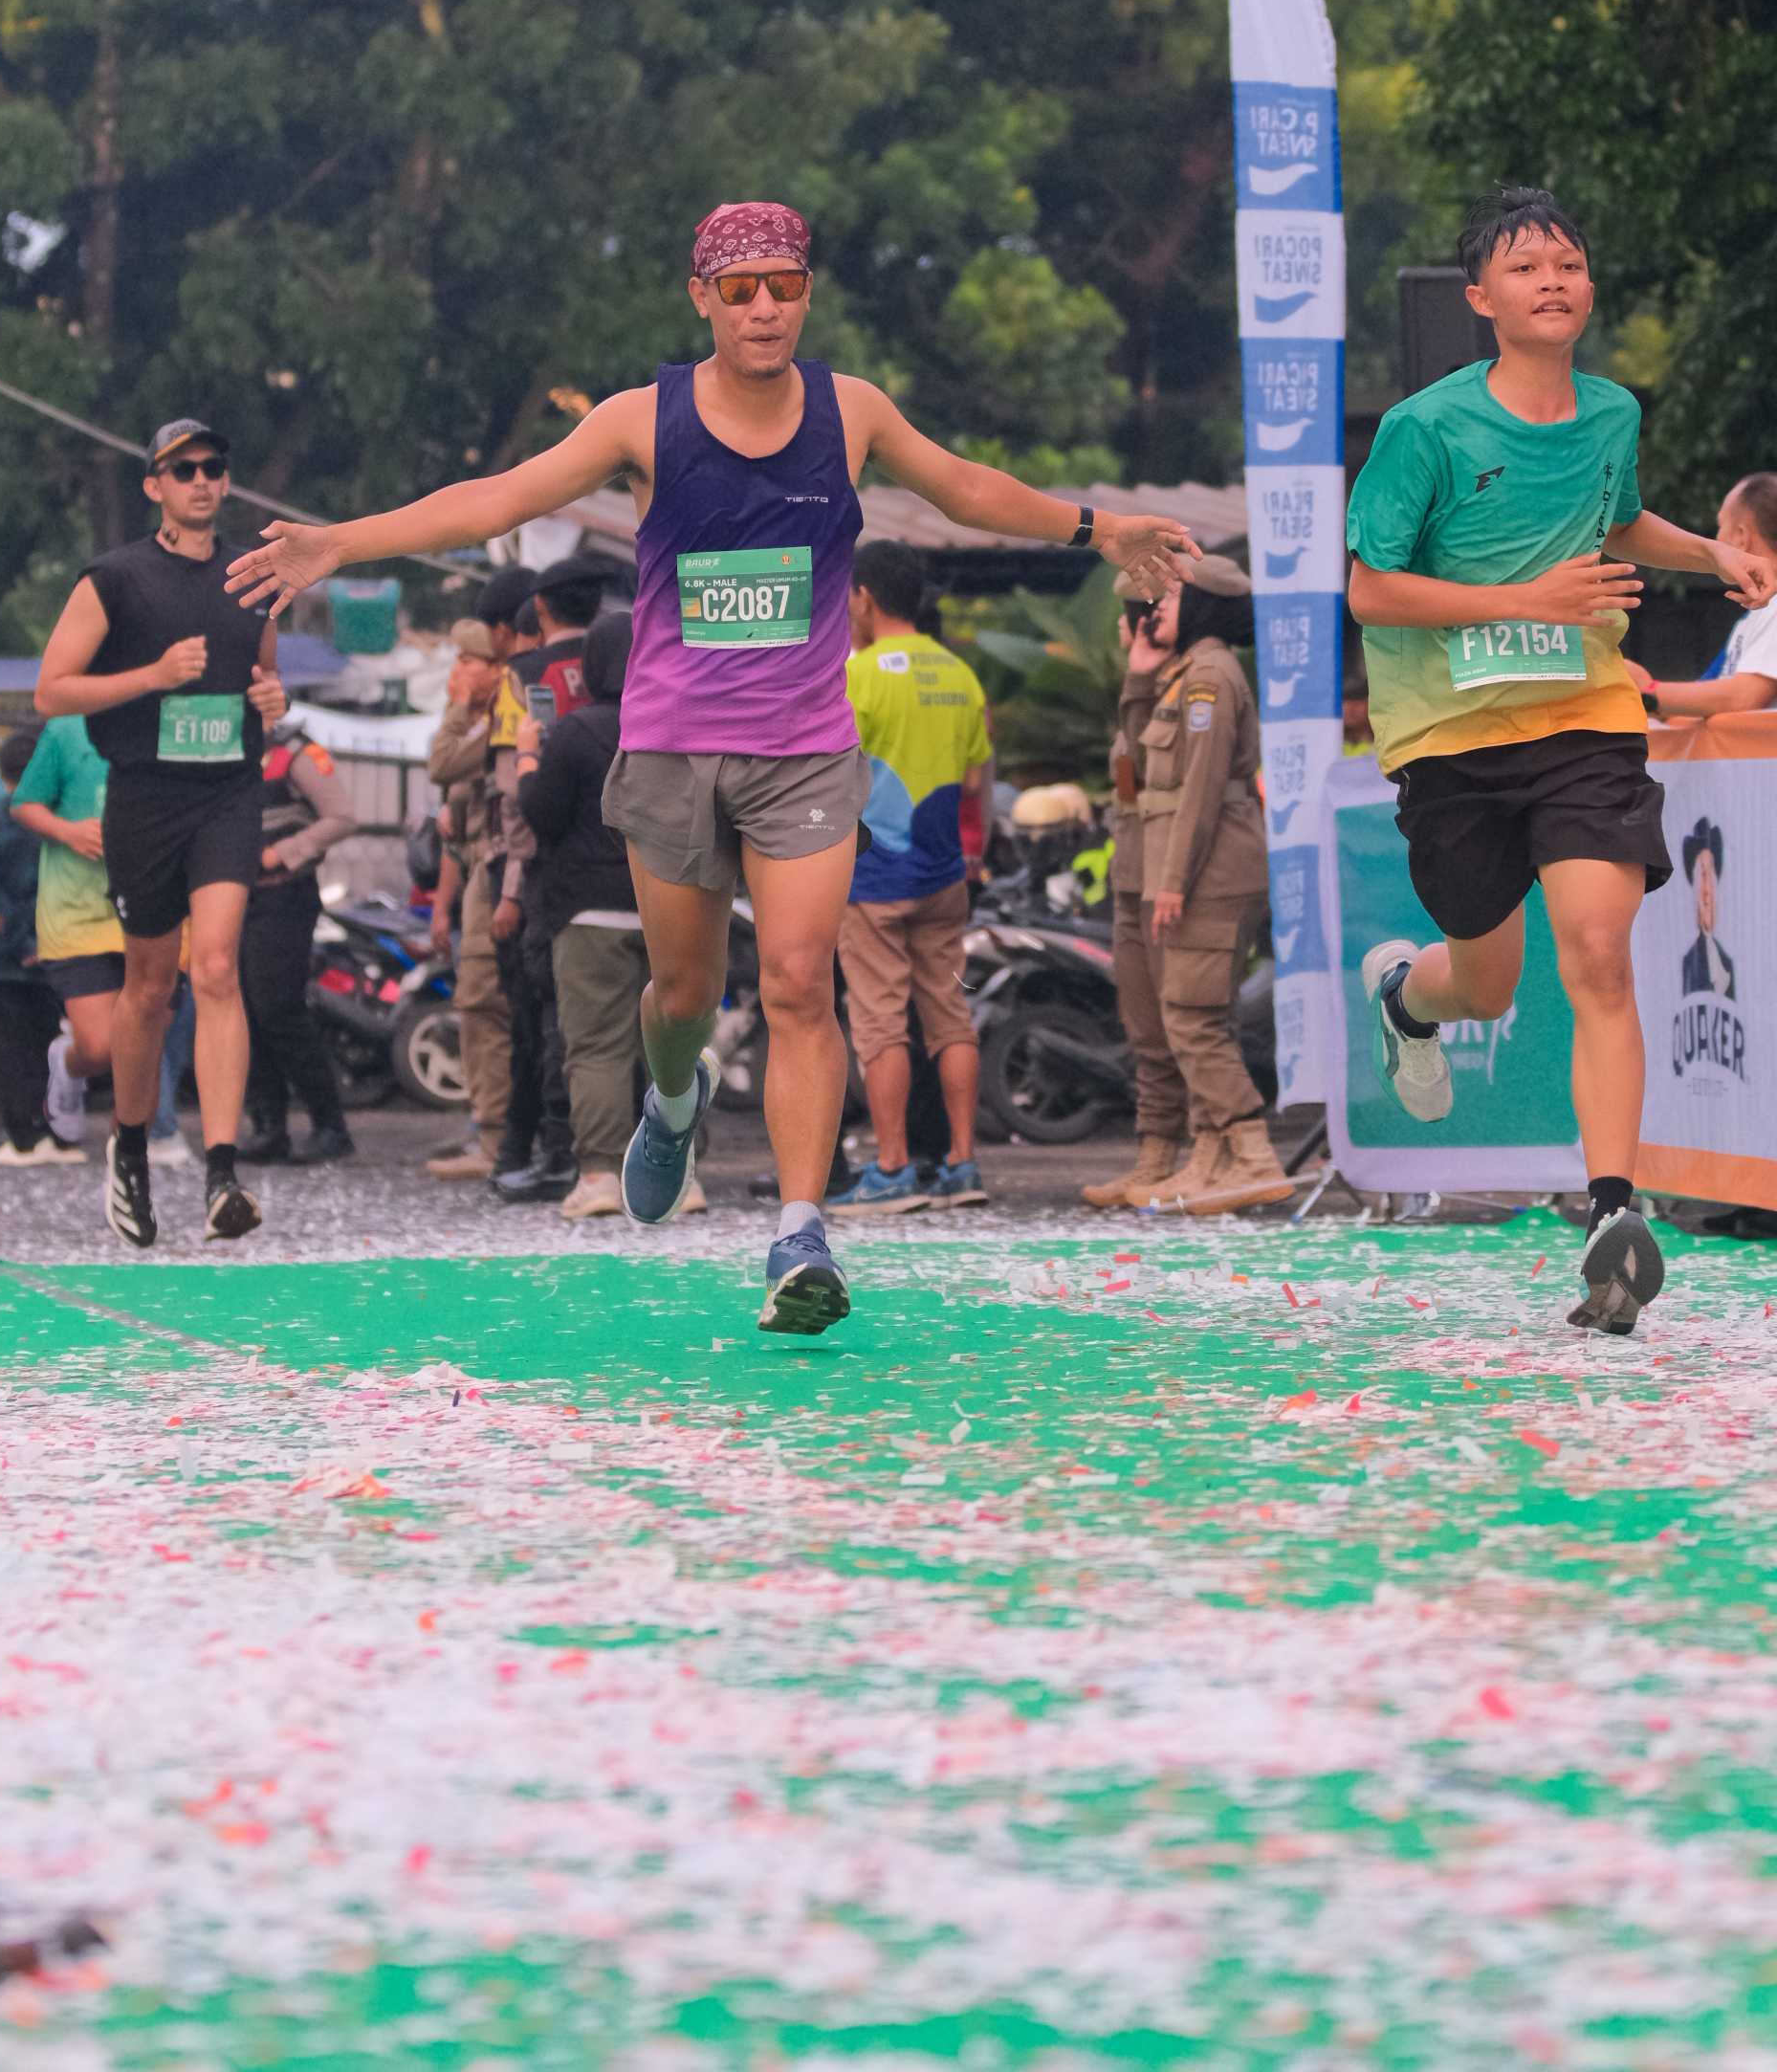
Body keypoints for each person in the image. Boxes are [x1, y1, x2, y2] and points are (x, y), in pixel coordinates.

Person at [228, 198, 1197, 1334]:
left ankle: (800, 1233)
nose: (764, 308)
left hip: (804, 751)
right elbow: (498, 499)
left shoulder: (849, 411)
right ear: (702, 297)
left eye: (785, 285)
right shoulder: (643, 420)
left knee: (796, 981)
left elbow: (965, 487)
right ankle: (674, 1096)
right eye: (740, 289)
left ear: (806, 294)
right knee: (682, 996)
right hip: (673, 749)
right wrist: (340, 541)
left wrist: (1100, 527)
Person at [1348, 185, 1777, 1336]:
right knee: (1485, 983)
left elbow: (1616, 519)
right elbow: (1371, 589)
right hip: (1451, 735)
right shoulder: (1424, 430)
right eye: (1525, 267)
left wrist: (1711, 554)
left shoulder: (1610, 413)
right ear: (1479, 299)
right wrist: (1522, 597)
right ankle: (1406, 1000)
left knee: (1598, 954)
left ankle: (1611, 1222)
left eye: (1568, 264)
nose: (1553, 282)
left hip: (1583, 714)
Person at [33, 418, 285, 1249]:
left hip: (228, 793)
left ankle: (222, 1174)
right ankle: (131, 1147)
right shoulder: (114, 578)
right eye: (184, 470)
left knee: (214, 966)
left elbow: (267, 679)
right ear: (154, 486)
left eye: (213, 467)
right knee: (149, 987)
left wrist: (274, 703)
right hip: (144, 795)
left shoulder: (254, 576)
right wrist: (151, 675)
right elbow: (51, 691)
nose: (202, 481)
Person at [1117, 559, 1291, 1215]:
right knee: (1193, 1014)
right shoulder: (1188, 674)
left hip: (1210, 872)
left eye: (1173, 597)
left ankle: (1254, 1156)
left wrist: (1172, 883)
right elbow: (1141, 769)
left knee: (1192, 1020)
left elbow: (1202, 790)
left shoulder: (1210, 679)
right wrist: (1139, 680)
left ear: (1205, 606)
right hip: (1196, 868)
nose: (1156, 608)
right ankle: (1211, 1160)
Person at [828, 540, 992, 1213]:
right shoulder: (960, 675)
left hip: (873, 877)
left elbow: (831, 773)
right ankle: (961, 1164)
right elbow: (975, 780)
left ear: (864, 596)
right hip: (943, 872)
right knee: (950, 1017)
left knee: (880, 1024)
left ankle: (892, 1168)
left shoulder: (858, 676)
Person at [516, 608, 686, 1221]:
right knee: (677, 1049)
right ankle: (682, 1178)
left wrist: (526, 760)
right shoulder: (680, 725)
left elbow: (542, 815)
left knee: (595, 1048)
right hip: (673, 907)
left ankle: (599, 1176)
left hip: (590, 911)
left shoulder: (576, 731)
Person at [492, 558, 613, 1201]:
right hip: (633, 861)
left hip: (551, 872)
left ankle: (556, 1152)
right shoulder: (624, 672)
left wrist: (512, 884)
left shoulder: (520, 677)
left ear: (539, 610)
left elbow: (513, 797)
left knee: (550, 1020)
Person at [1083, 587, 1187, 1211]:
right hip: (1131, 875)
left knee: (1189, 1024)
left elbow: (1187, 792)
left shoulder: (1191, 686)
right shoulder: (1143, 690)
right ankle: (1154, 1154)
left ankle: (1208, 1154)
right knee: (1145, 1027)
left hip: (1168, 880)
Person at [11, 711, 133, 1158]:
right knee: (99, 1048)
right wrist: (69, 831)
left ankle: (128, 1157)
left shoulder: (170, 717)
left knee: (142, 1048)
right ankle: (67, 1063)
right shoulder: (66, 729)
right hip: (77, 912)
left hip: (153, 908)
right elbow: (24, 804)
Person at [238, 717, 358, 1165]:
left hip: (283, 895)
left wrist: (283, 852)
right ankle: (268, 1126)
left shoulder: (295, 751)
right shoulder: (228, 747)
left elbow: (342, 817)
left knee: (279, 1009)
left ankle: (330, 1126)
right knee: (246, 1013)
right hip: (239, 897)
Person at [424, 617, 511, 1179]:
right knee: (478, 1005)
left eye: (468, 660)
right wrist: (440, 906)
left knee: (485, 1003)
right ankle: (490, 1129)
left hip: (501, 878)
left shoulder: (500, 719)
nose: (457, 671)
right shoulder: (477, 724)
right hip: (475, 877)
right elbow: (455, 832)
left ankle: (497, 1138)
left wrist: (458, 708)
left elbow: (442, 762)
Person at [0, 725, 77, 1166]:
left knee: (11, 1050)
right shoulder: (60, 822)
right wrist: (39, 942)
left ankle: (23, 1139)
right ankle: (58, 1136)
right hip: (56, 950)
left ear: (1, 772)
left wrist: (18, 942)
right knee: (53, 1046)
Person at [1630, 475, 1777, 721]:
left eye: (1721, 526)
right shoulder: (1759, 615)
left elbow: (1742, 698)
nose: (1717, 538)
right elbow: (1702, 715)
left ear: (1741, 536)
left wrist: (1645, 690)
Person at [1678, 818, 1734, 999]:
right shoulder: (1688, 963)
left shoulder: (1726, 960)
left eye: (1711, 874)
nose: (1707, 890)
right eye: (1702, 874)